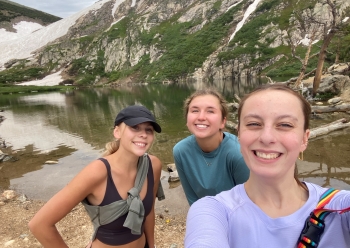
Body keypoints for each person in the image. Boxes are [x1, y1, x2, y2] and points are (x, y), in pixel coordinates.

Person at [185, 84, 350, 247]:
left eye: (285, 125)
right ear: (239, 135)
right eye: (254, 124)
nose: (266, 137)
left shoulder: (340, 208)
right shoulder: (212, 211)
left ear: (304, 139)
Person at [29, 105, 163, 248]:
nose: (143, 134)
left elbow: (149, 213)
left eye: (148, 130)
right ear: (117, 132)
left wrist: (152, 245)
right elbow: (39, 225)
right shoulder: (97, 172)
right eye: (134, 127)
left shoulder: (153, 165)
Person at [173, 89, 249, 205]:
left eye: (210, 111)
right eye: (195, 110)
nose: (201, 117)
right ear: (187, 119)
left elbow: (248, 202)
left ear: (222, 122)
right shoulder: (181, 151)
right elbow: (192, 198)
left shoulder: (238, 153)